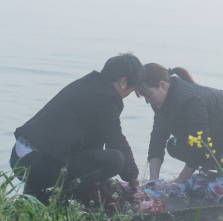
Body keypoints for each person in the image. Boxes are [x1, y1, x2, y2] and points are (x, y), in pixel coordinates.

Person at [10, 53, 143, 204]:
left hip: (19, 158)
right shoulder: (107, 98)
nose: (126, 95)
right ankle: (54, 199)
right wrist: (134, 182)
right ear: (123, 82)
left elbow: (95, 142)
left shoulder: (87, 84)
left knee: (95, 155)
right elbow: (116, 141)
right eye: (130, 91)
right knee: (116, 159)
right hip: (35, 165)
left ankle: (35, 192)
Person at [140, 64, 223, 186]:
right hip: (222, 142)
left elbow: (200, 147)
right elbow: (157, 143)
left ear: (162, 85)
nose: (147, 101)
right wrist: (153, 184)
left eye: (149, 95)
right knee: (173, 146)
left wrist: (179, 181)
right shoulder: (160, 104)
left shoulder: (191, 100)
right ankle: (215, 174)